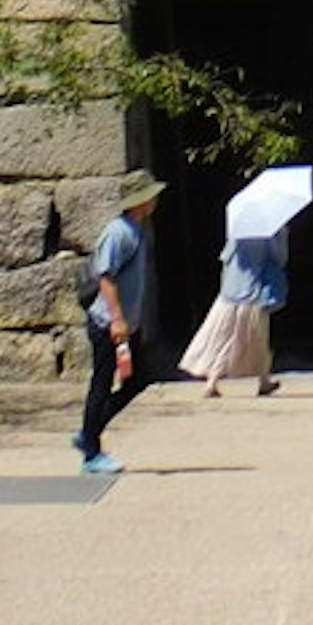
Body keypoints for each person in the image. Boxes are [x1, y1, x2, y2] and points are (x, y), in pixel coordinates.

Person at [71, 171, 162, 475]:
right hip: (109, 323)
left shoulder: (135, 229)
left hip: (126, 324)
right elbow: (106, 277)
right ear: (141, 201)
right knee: (102, 382)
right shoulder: (118, 232)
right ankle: (91, 451)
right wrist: (117, 320)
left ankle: (88, 432)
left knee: (137, 379)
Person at [182, 224, 288, 398]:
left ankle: (212, 382)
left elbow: (226, 258)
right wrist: (282, 235)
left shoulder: (238, 229)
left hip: (230, 292)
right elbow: (280, 259)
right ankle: (263, 381)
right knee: (258, 338)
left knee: (221, 338)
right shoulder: (271, 231)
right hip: (253, 291)